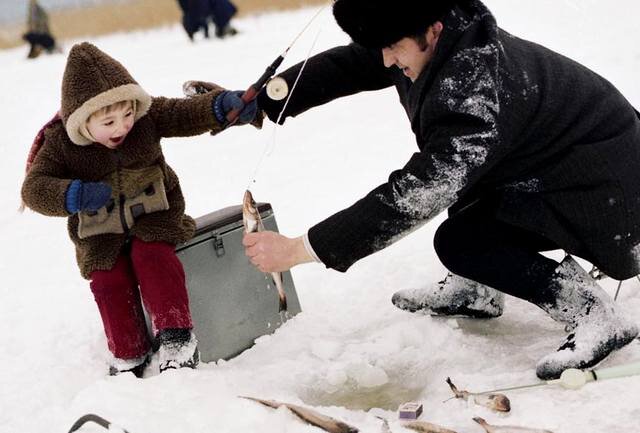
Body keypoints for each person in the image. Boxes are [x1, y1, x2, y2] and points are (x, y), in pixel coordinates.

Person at [244, 0, 640, 380]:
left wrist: (300, 249)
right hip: (560, 165)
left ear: (432, 32)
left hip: (608, 197)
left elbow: (417, 195)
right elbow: (357, 62)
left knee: (461, 241)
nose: (386, 60)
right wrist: (268, 98)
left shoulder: (473, 90)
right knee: (465, 177)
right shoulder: (433, 27)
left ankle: (593, 313)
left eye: (394, 48)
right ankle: (477, 289)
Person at [21, 42, 258, 377]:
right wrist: (72, 194)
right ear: (81, 120)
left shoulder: (146, 120)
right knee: (108, 279)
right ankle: (129, 353)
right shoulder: (61, 144)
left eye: (127, 114)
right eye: (108, 121)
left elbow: (183, 113)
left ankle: (176, 336)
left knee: (152, 257)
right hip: (100, 233)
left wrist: (219, 106)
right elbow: (33, 189)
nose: (121, 128)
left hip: (154, 216)